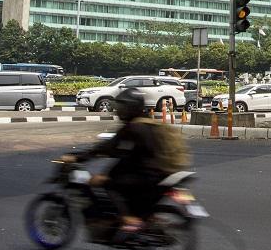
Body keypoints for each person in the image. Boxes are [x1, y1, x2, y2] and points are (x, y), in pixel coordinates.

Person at [61, 88, 190, 233]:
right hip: (159, 172)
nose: (119, 111)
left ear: (131, 108)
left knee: (109, 184)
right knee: (116, 180)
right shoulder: (148, 124)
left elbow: (120, 153)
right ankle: (140, 217)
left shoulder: (134, 128)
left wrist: (99, 171)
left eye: (122, 107)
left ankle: (128, 219)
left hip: (148, 174)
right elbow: (114, 149)